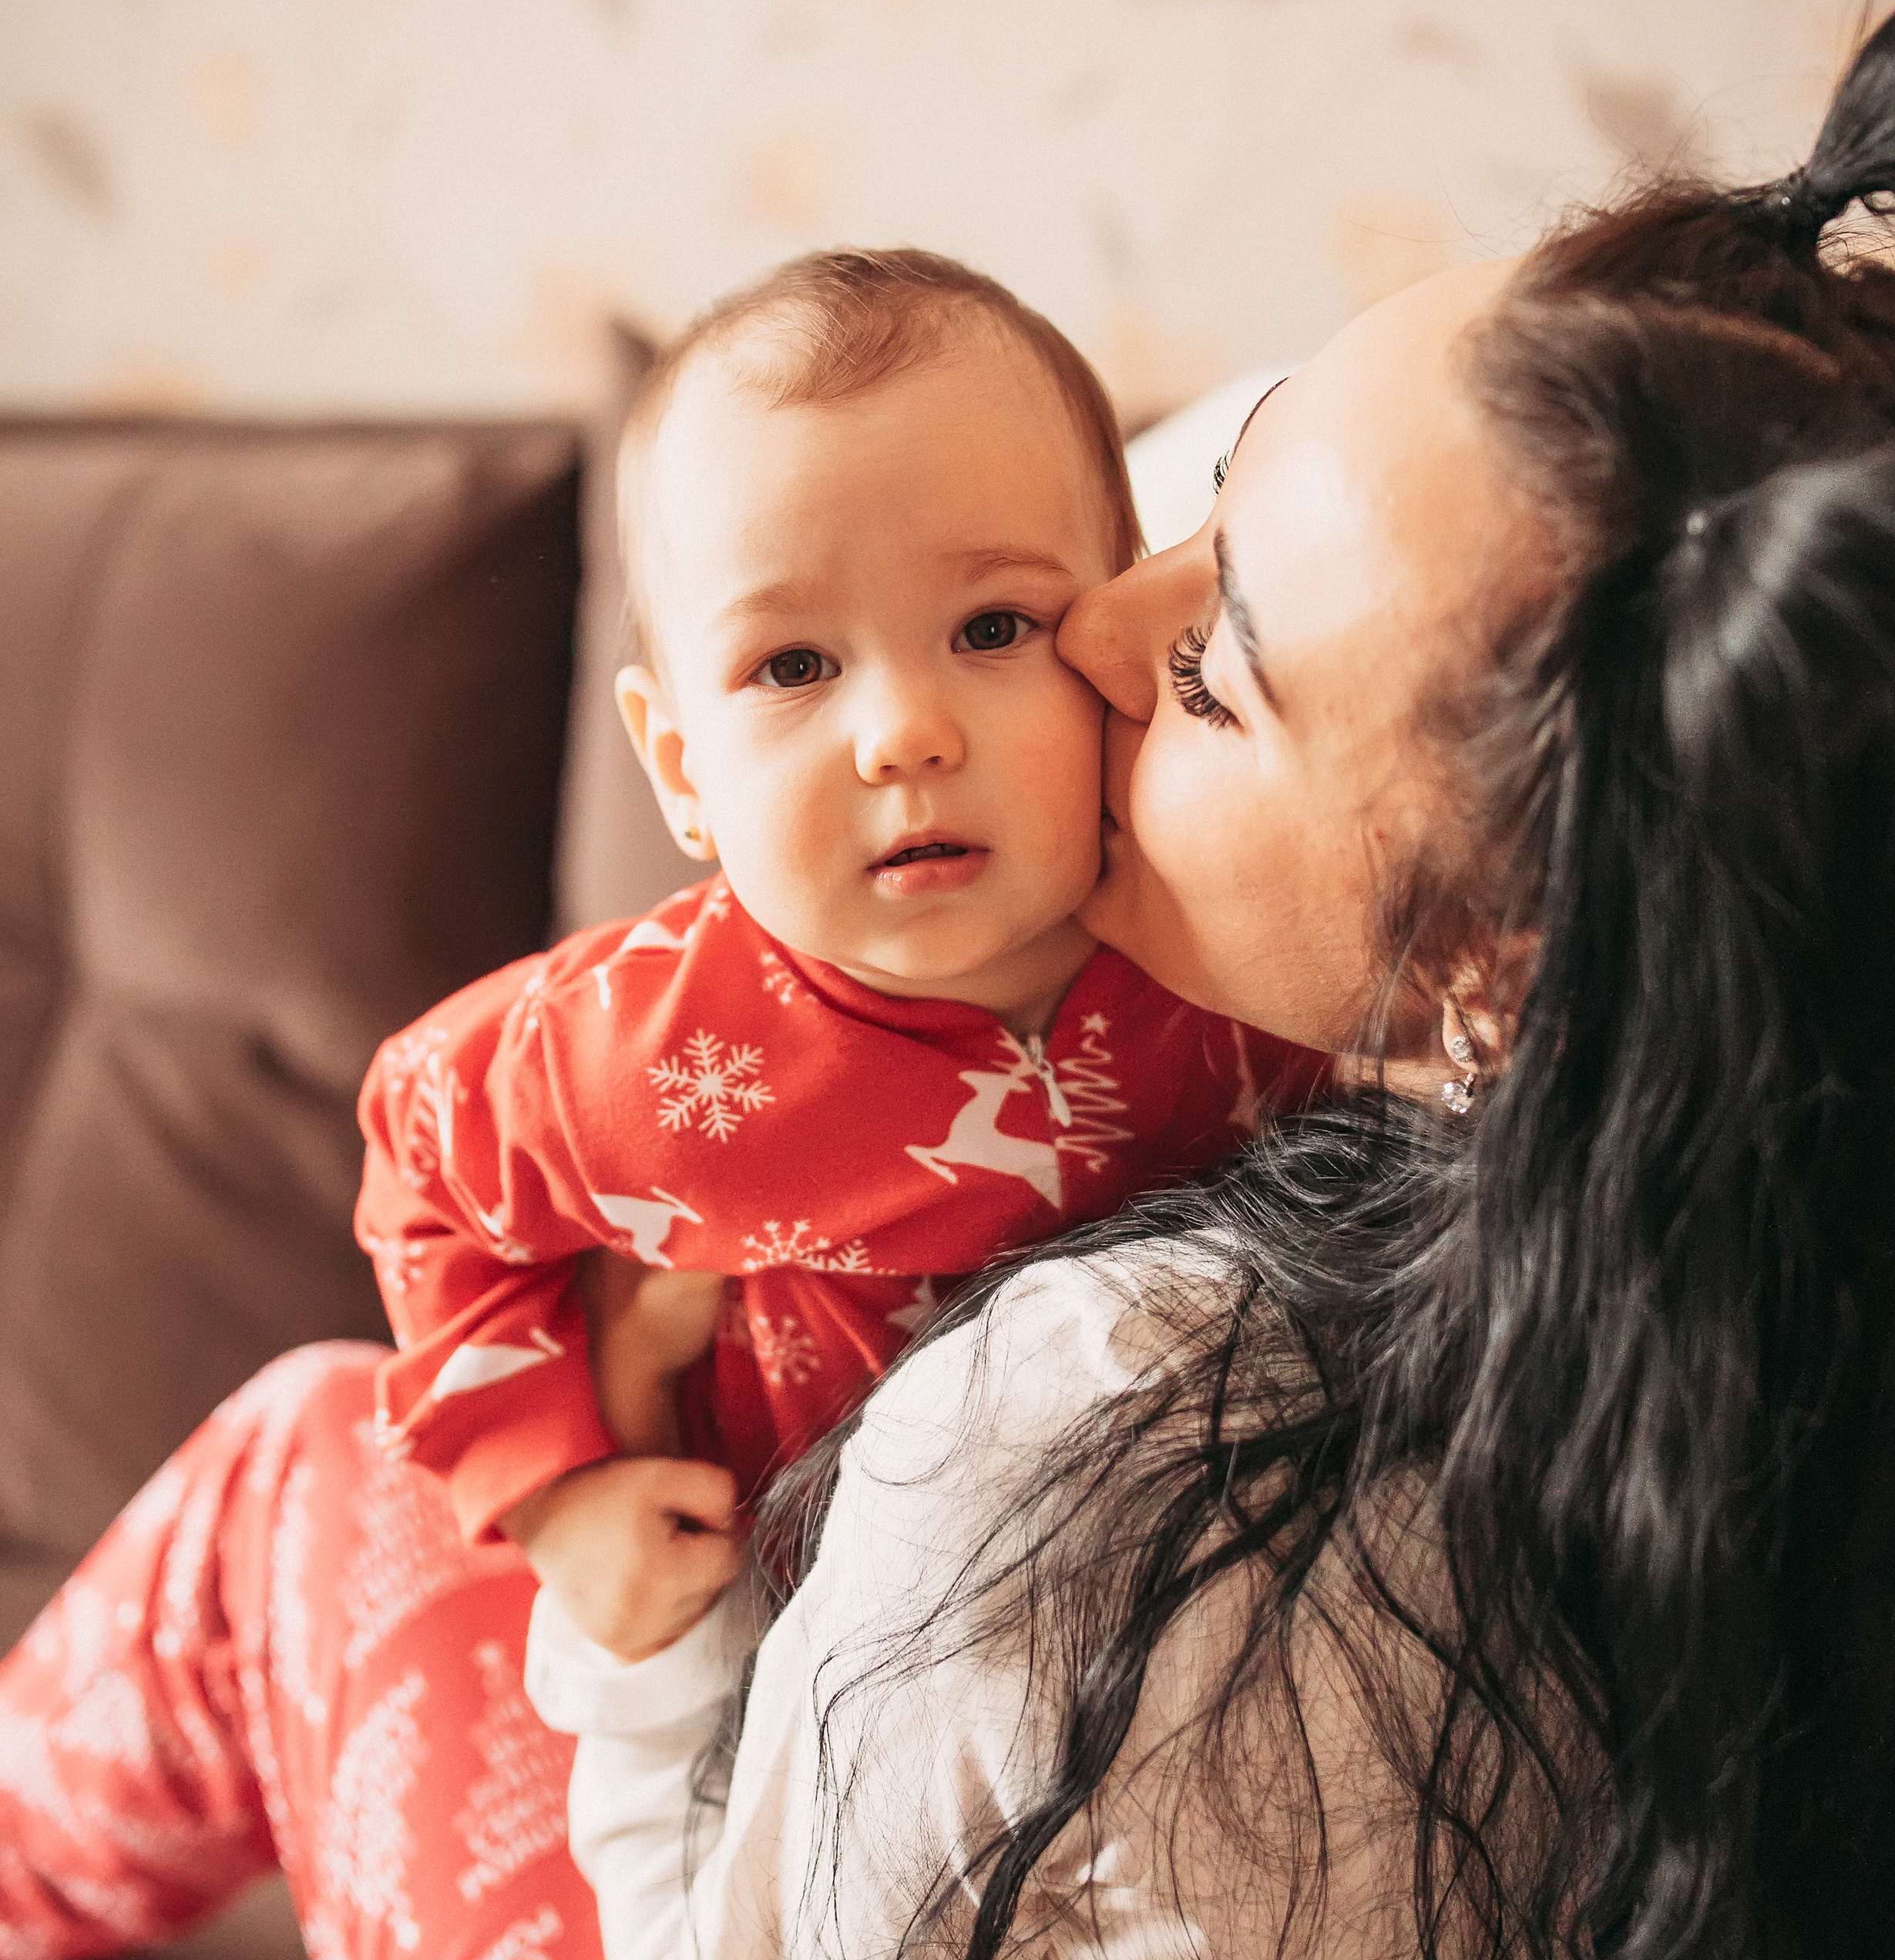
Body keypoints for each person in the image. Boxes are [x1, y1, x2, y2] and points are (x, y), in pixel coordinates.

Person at [3, 0, 1895, 1960]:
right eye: (1207, 491)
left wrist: (649, 1655)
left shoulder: (1116, 1430)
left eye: (1208, 652)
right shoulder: (1821, 1266)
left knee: (313, 1453)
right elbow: (441, 1142)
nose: (1093, 636)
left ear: (1498, 973)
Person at [356, 247, 1322, 1669]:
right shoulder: (653, 1043)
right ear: (680, 768)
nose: (904, 734)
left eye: (994, 628)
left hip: (1160, 1607)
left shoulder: (1235, 926)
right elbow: (423, 1149)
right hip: (782, 1638)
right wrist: (555, 1496)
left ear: (1119, 638)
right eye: (795, 666)